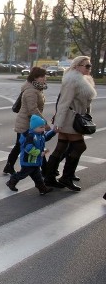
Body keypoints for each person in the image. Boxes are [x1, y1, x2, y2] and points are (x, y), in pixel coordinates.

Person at [43, 56, 97, 191]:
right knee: (79, 147)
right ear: (76, 66)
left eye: (90, 65)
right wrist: (59, 122)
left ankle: (49, 176)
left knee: (61, 147)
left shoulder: (83, 80)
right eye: (87, 66)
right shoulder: (72, 80)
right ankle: (65, 177)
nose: (89, 68)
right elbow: (63, 103)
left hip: (72, 119)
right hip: (69, 120)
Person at [3, 67, 49, 175]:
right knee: (29, 145)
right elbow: (32, 109)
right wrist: (44, 123)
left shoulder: (37, 88)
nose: (45, 79)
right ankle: (45, 171)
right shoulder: (30, 90)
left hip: (32, 122)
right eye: (42, 76)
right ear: (35, 77)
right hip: (26, 123)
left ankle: (9, 166)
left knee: (24, 145)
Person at [6, 115, 55, 195]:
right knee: (22, 174)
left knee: (37, 177)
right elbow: (28, 148)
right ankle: (12, 181)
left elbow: (45, 137)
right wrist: (39, 153)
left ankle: (42, 189)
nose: (43, 129)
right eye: (41, 127)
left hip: (34, 161)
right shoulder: (31, 136)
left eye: (43, 127)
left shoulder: (39, 134)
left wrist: (53, 132)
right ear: (33, 127)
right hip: (28, 161)